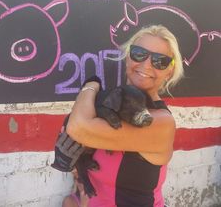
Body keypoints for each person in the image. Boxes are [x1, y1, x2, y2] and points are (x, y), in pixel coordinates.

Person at [66, 25, 184, 207]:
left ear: (169, 71)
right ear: (127, 56)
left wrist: (91, 84)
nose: (146, 65)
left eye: (160, 61)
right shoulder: (112, 104)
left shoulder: (161, 123)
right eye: (139, 53)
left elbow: (77, 128)